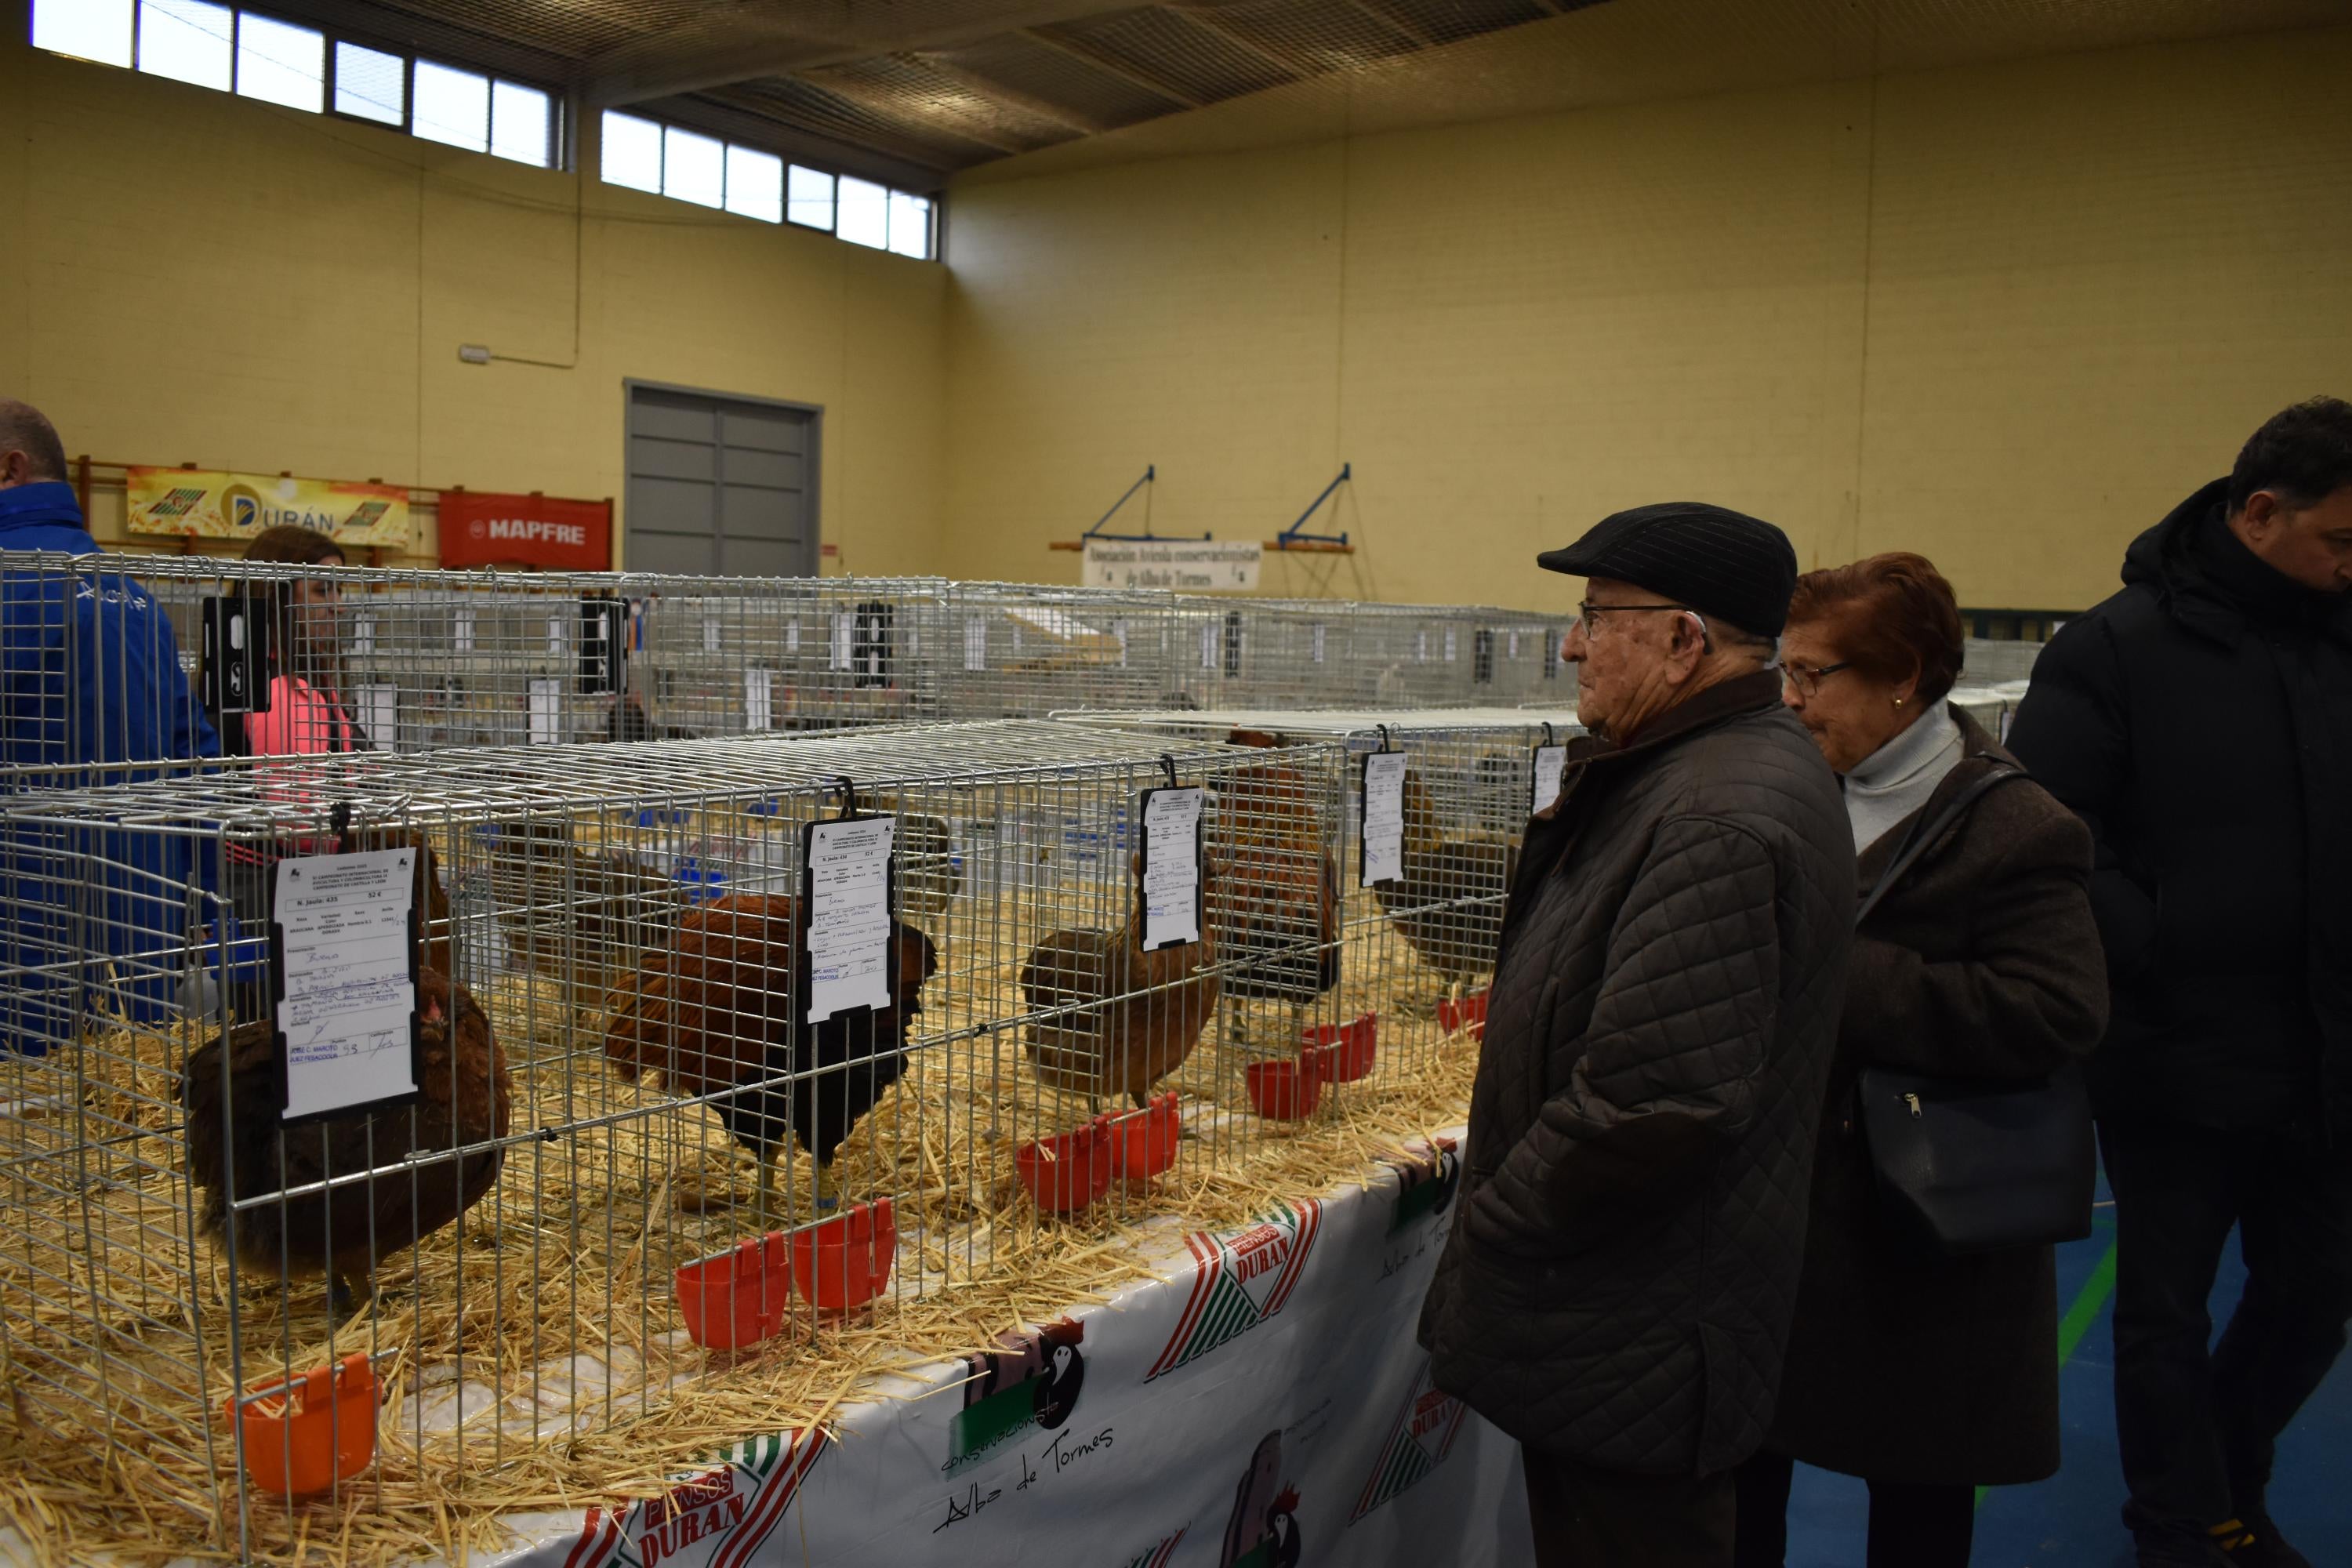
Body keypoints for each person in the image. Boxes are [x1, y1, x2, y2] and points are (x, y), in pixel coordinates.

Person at [1417, 502, 1853, 1568]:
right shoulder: (1687, 770)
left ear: (1682, 638)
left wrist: (1495, 1218)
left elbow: (1658, 1101)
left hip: (1639, 1322)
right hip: (1635, 1309)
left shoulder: (1717, 811)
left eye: (1595, 614)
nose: (1572, 641)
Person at [2007, 397, 2352, 1568]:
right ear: (2261, 513)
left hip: (2328, 1044)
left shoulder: (2340, 636)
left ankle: (2233, 1484)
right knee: (2165, 1308)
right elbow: (2049, 828)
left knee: (2316, 1293)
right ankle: (2181, 1524)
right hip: (2173, 1048)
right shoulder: (2116, 646)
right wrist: (2150, 940)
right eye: (2341, 543)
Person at [1734, 553, 2108, 1567]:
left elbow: (2058, 1010)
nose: (1791, 696)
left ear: (1903, 676)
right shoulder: (1784, 785)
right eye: (1788, 670)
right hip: (1774, 1219)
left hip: (1920, 1242)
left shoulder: (2015, 825)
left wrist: (1842, 976)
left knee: (1918, 1509)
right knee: (1737, 1486)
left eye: (1816, 675)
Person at [0, 397, 221, 1053]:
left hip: (24, 926)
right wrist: (202, 903)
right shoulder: (135, 597)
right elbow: (199, 760)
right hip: (142, 932)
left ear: (10, 467)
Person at [230, 523, 361, 755]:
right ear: (278, 597)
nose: (339, 607)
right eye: (323, 591)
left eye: (338, 590)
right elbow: (292, 790)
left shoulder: (294, 674)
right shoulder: (281, 693)